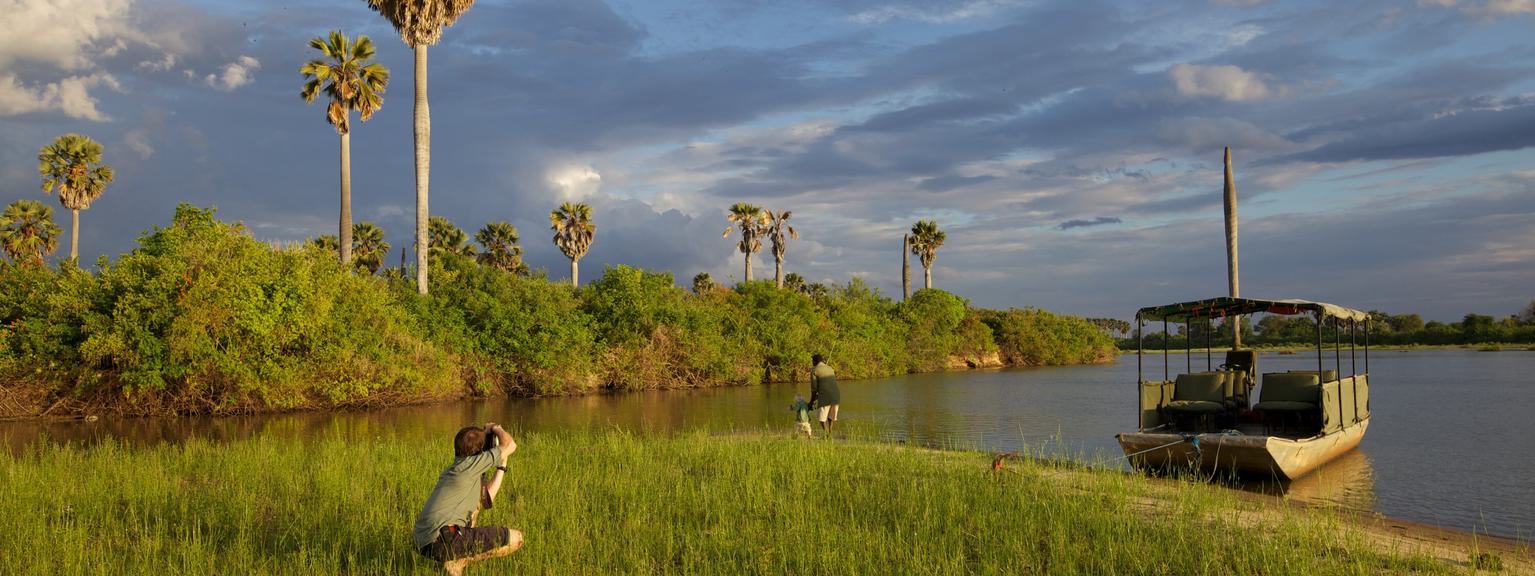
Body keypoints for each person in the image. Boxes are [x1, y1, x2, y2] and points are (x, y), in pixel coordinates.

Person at [413, 423, 524, 575]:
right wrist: (496, 428)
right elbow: (510, 445)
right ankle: (460, 561)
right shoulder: (469, 467)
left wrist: (501, 467)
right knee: (515, 539)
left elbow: (486, 499)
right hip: (441, 540)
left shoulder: (461, 467)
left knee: (473, 514)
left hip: (426, 541)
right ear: (480, 451)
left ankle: (455, 559)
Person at [809, 354, 840, 434]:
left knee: (822, 418)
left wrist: (811, 402)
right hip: (836, 395)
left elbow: (814, 389)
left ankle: (826, 434)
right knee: (830, 416)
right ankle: (830, 432)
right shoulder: (830, 368)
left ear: (815, 361)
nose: (812, 363)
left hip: (825, 396)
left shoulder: (814, 370)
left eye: (812, 361)